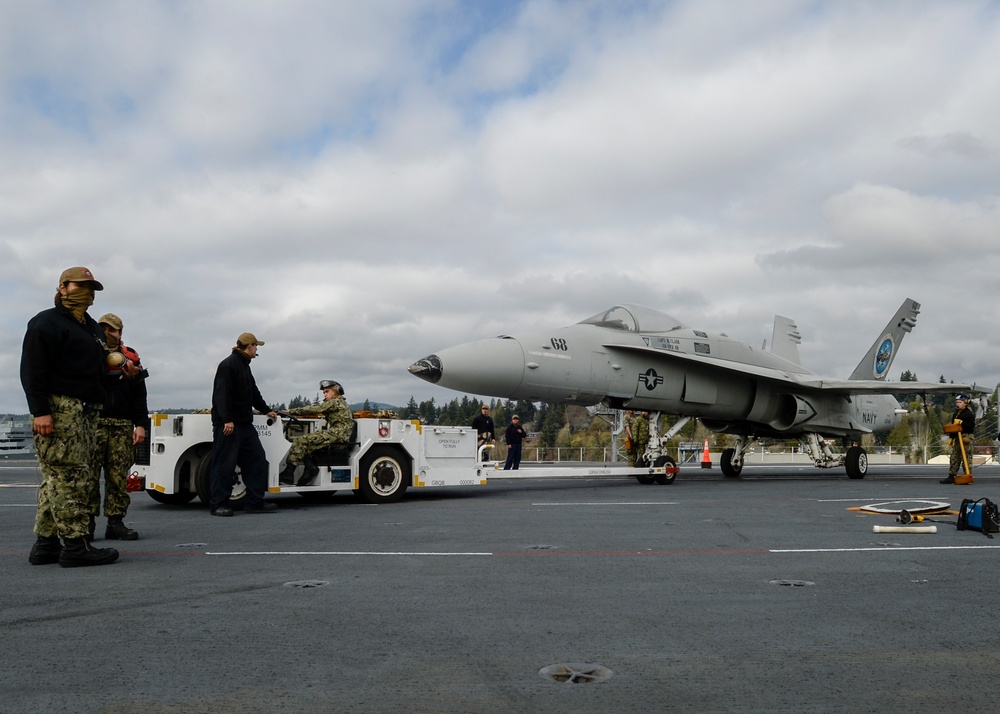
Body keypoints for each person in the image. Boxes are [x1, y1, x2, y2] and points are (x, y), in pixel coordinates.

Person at [20, 266, 120, 567]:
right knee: (70, 477)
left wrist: (115, 369)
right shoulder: (45, 323)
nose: (87, 293)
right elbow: (32, 370)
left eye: (92, 288)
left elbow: (93, 367)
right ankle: (76, 547)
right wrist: (41, 411)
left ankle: (46, 544)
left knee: (59, 478)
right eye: (81, 286)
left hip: (86, 409)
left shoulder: (88, 326)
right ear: (62, 288)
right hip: (60, 408)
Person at [90, 313, 150, 540]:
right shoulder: (90, 354)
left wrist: (141, 425)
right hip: (94, 422)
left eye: (116, 330)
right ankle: (86, 523)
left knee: (117, 477)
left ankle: (116, 522)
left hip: (122, 424)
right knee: (89, 478)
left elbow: (140, 395)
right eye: (107, 329)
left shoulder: (131, 357)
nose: (112, 334)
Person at [209, 332, 279, 516]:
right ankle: (218, 505)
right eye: (256, 346)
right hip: (229, 425)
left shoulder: (244, 366)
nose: (257, 350)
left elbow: (253, 393)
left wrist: (266, 410)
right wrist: (226, 420)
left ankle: (254, 502)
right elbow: (221, 395)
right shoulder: (228, 365)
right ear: (249, 346)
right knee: (224, 465)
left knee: (257, 460)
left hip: (245, 424)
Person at [278, 380, 354, 486]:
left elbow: (314, 409)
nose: (325, 394)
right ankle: (311, 468)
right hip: (337, 436)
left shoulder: (335, 402)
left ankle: (288, 474)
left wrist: (287, 412)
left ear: (336, 391)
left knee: (301, 440)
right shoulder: (339, 403)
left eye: (327, 391)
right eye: (324, 392)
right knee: (306, 444)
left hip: (336, 437)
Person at [940, 393, 975, 484]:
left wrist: (962, 423)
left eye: (960, 402)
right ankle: (951, 476)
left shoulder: (968, 414)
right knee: (954, 457)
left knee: (966, 458)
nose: (958, 404)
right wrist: (951, 437)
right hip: (957, 437)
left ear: (965, 403)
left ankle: (967, 474)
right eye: (957, 402)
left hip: (966, 437)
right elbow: (953, 427)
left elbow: (971, 427)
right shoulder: (956, 413)